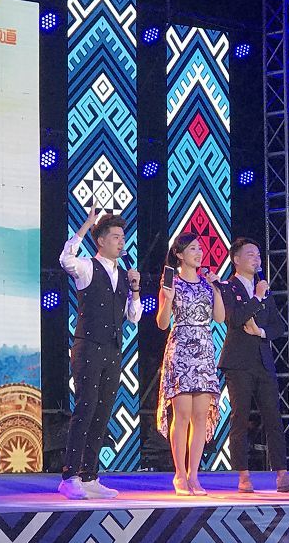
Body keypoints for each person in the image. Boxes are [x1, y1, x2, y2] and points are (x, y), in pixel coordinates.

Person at [57, 206, 142, 500]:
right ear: (102, 240)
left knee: (103, 411)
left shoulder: (124, 274)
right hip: (88, 347)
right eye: (116, 237)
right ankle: (69, 476)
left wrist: (135, 289)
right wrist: (86, 226)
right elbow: (65, 259)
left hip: (113, 350)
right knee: (85, 408)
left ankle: (90, 475)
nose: (121, 241)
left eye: (123, 237)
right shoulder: (87, 267)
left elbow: (134, 317)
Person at [218, 237, 289, 494]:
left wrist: (261, 332)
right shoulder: (228, 287)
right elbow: (234, 319)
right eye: (250, 254)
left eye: (258, 255)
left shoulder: (264, 289)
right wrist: (256, 298)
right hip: (238, 362)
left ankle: (282, 474)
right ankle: (243, 476)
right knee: (240, 417)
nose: (256, 259)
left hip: (263, 361)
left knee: (273, 417)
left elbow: (279, 326)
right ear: (236, 259)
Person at [155, 234, 226, 496]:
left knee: (200, 416)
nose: (199, 252)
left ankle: (195, 475)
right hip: (181, 348)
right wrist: (168, 298)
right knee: (182, 414)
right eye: (192, 248)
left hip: (204, 348)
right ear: (179, 254)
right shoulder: (171, 282)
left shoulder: (208, 284)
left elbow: (220, 318)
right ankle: (180, 475)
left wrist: (217, 288)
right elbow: (162, 323)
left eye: (200, 248)